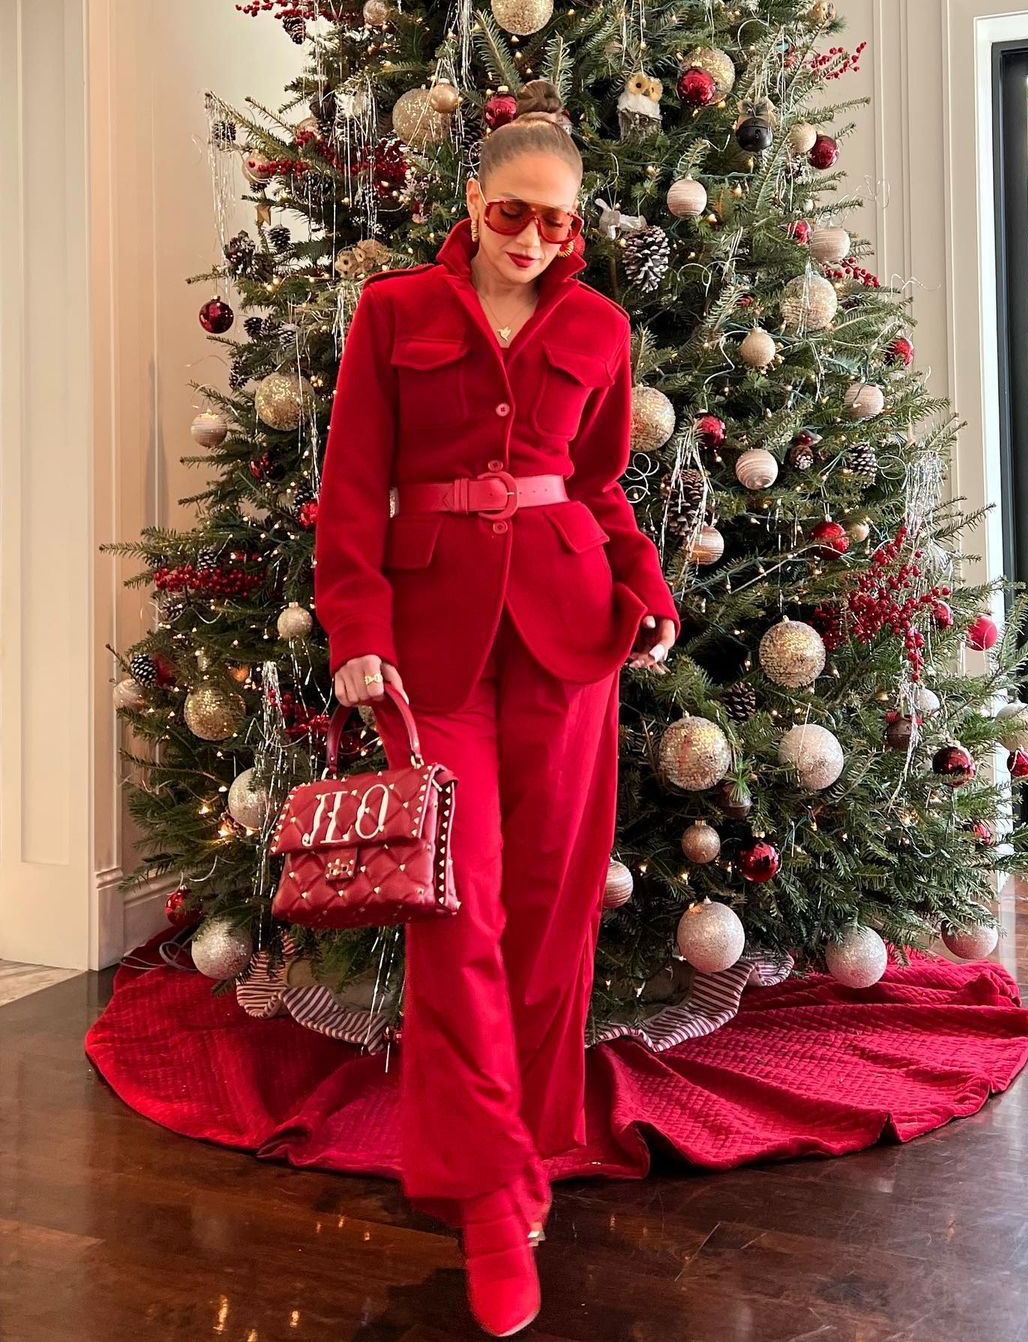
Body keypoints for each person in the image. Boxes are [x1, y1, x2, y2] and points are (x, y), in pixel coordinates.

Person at [313, 79, 680, 1337]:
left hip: (573, 636)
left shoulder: (599, 326)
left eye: (558, 224)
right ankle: (489, 1193)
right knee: (455, 908)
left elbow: (601, 483)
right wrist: (357, 636)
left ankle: (512, 1150)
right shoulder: (393, 311)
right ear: (472, 203)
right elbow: (351, 490)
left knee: (553, 906)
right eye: (515, 213)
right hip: (432, 651)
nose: (535, 240)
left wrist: (646, 586)